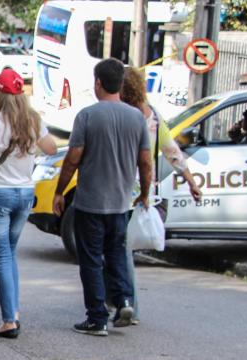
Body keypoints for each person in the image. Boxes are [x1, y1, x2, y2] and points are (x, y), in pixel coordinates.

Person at [52, 58, 152, 336]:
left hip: (90, 203)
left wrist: (60, 191)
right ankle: (123, 301)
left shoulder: (87, 116)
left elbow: (72, 158)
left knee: (92, 261)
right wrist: (143, 193)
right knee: (117, 255)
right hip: (121, 203)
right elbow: (145, 162)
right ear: (120, 83)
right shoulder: (137, 117)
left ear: (98, 83)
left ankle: (97, 317)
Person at [0, 69, 57, 338]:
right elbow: (52, 149)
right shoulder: (33, 120)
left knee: (2, 257)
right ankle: (14, 312)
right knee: (10, 253)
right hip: (24, 194)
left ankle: (9, 320)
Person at [119, 67, 202, 324]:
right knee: (124, 252)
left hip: (120, 189)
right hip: (145, 192)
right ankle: (125, 303)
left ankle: (124, 303)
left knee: (118, 251)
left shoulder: (122, 115)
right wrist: (191, 182)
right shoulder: (152, 115)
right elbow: (172, 152)